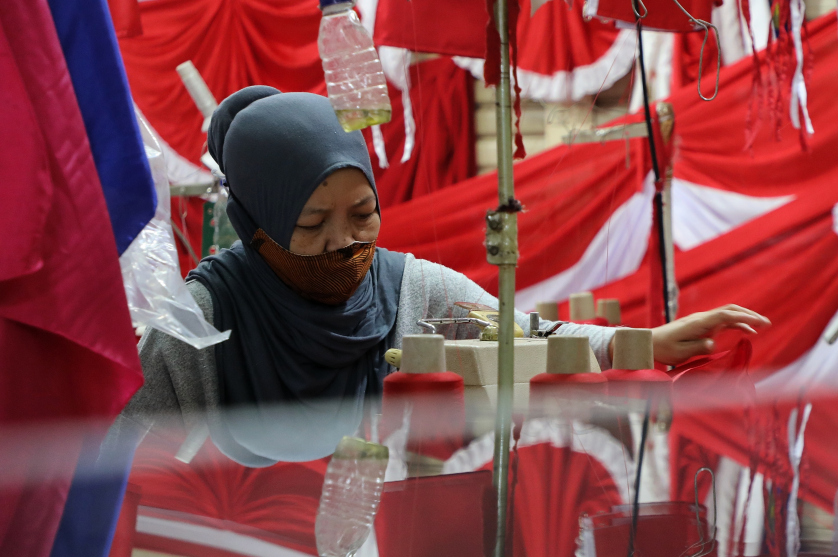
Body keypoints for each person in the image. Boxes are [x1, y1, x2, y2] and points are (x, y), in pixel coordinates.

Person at [125, 87, 769, 466]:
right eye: (312, 220)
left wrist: (650, 344)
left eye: (363, 214)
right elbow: (106, 455)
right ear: (257, 222)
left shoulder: (410, 292)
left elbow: (521, 334)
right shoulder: (202, 323)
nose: (343, 242)